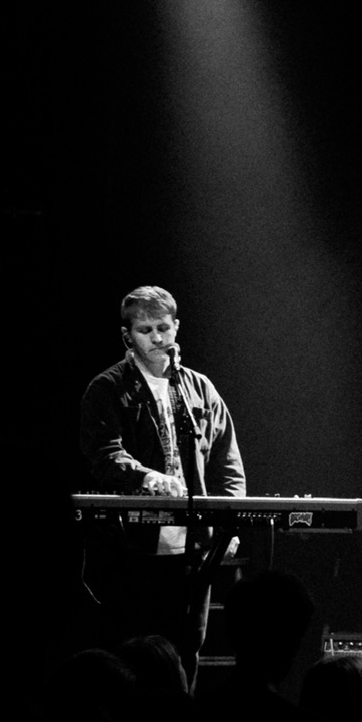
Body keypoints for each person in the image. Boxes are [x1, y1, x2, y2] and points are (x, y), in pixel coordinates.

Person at [78, 285, 246, 678]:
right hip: (132, 550)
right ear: (127, 336)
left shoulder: (199, 388)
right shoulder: (107, 388)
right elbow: (104, 455)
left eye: (164, 328)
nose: (157, 337)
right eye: (146, 330)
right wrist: (148, 477)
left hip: (193, 552)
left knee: (187, 651)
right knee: (131, 655)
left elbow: (227, 460)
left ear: (176, 329)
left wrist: (228, 517)